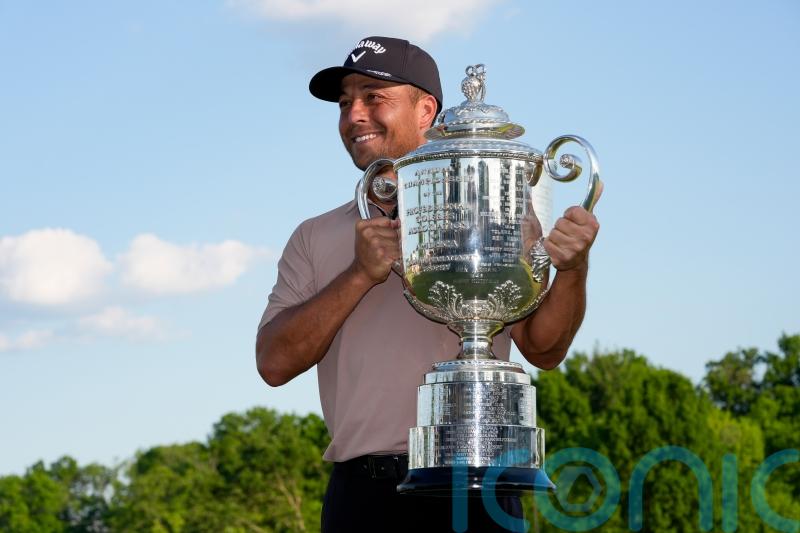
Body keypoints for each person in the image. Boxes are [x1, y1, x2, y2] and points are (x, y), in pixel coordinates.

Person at [255, 36, 601, 532]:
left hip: (481, 485)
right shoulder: (315, 236)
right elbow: (273, 362)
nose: (354, 114)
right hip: (364, 496)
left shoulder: (500, 209)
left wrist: (573, 267)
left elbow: (543, 349)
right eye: (345, 102)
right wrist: (359, 274)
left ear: (426, 110)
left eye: (374, 98)